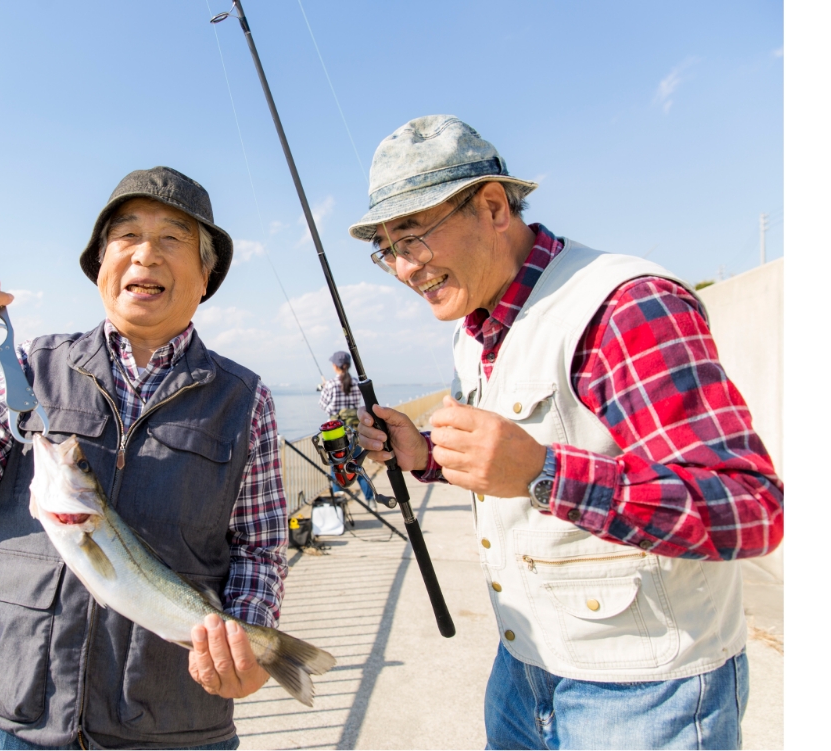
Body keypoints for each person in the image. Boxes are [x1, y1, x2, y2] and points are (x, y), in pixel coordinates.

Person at [349, 116, 783, 750]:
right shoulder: (474, 329)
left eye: (412, 235)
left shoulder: (627, 306)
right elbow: (518, 451)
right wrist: (426, 452)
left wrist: (543, 474)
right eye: (385, 247)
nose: (403, 266)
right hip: (525, 669)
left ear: (494, 206)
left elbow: (748, 508)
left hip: (649, 691)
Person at [0, 166, 288, 750]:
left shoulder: (245, 400)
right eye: (127, 236)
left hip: (173, 728)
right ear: (100, 264)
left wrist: (250, 642)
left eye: (172, 239)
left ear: (206, 274)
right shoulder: (32, 366)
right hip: (12, 719)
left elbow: (259, 548)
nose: (146, 255)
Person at [317, 350, 375, 503]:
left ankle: (339, 502)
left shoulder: (330, 384)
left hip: (336, 438)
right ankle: (371, 499)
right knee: (357, 466)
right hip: (353, 434)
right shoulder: (356, 382)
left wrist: (324, 389)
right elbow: (358, 405)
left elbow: (324, 406)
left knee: (337, 469)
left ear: (335, 366)